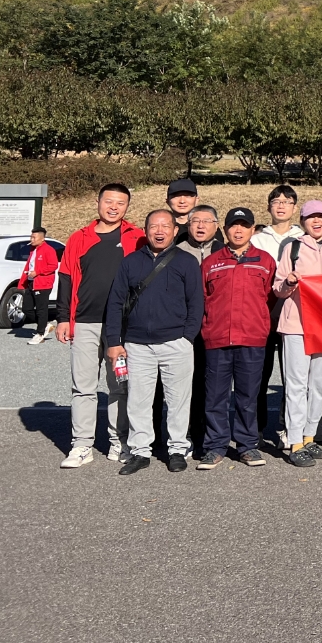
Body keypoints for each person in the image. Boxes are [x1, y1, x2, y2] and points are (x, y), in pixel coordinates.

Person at [104, 209, 203, 475]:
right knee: (138, 400)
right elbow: (115, 303)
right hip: (137, 345)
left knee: (178, 400)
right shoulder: (130, 262)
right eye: (153, 227)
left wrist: (187, 337)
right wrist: (114, 341)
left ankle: (177, 449)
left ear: (174, 230)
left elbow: (196, 303)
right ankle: (140, 451)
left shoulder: (186, 262)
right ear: (145, 231)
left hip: (176, 343)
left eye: (165, 226)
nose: (159, 231)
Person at [56, 183, 145, 468]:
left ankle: (119, 442)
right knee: (83, 387)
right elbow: (66, 278)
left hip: (121, 326)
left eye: (120, 203)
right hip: (84, 322)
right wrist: (62, 318)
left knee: (119, 386)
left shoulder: (137, 237)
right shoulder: (79, 238)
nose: (114, 207)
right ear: (98, 202)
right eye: (109, 201)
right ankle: (82, 445)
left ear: (127, 206)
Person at [197, 208, 278, 470]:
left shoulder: (265, 260)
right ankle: (215, 446)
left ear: (253, 229)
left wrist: (259, 322)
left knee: (248, 396)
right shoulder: (211, 263)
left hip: (252, 338)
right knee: (215, 397)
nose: (238, 230)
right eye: (233, 225)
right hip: (217, 338)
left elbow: (270, 297)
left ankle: (247, 445)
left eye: (244, 225)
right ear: (225, 230)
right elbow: (202, 298)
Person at [272, 200, 322, 467]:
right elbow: (277, 288)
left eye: (321, 217)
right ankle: (294, 441)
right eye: (311, 217)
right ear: (302, 221)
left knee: (319, 385)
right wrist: (289, 281)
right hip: (296, 325)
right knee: (296, 385)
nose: (317, 221)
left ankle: (309, 435)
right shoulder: (292, 247)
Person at [250, 184, 303, 441]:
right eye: (276, 201)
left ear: (295, 207)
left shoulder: (303, 237)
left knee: (291, 376)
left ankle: (287, 427)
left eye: (287, 201)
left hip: (294, 314)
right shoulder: (257, 239)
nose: (281, 205)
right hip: (262, 313)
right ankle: (256, 428)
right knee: (259, 374)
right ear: (269, 206)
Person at [178, 206, 222, 445]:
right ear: (188, 225)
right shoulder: (176, 251)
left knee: (211, 383)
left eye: (207, 221)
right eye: (196, 221)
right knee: (185, 383)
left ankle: (208, 435)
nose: (201, 226)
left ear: (216, 226)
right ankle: (184, 434)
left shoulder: (224, 252)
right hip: (184, 328)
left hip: (215, 327)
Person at [19, 226, 58, 344]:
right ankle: (44, 325)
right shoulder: (33, 250)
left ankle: (40, 333)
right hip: (32, 283)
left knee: (41, 309)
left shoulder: (49, 250)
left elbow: (53, 265)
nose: (31, 239)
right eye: (31, 237)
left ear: (42, 238)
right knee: (26, 308)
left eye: (34, 237)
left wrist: (38, 272)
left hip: (43, 284)